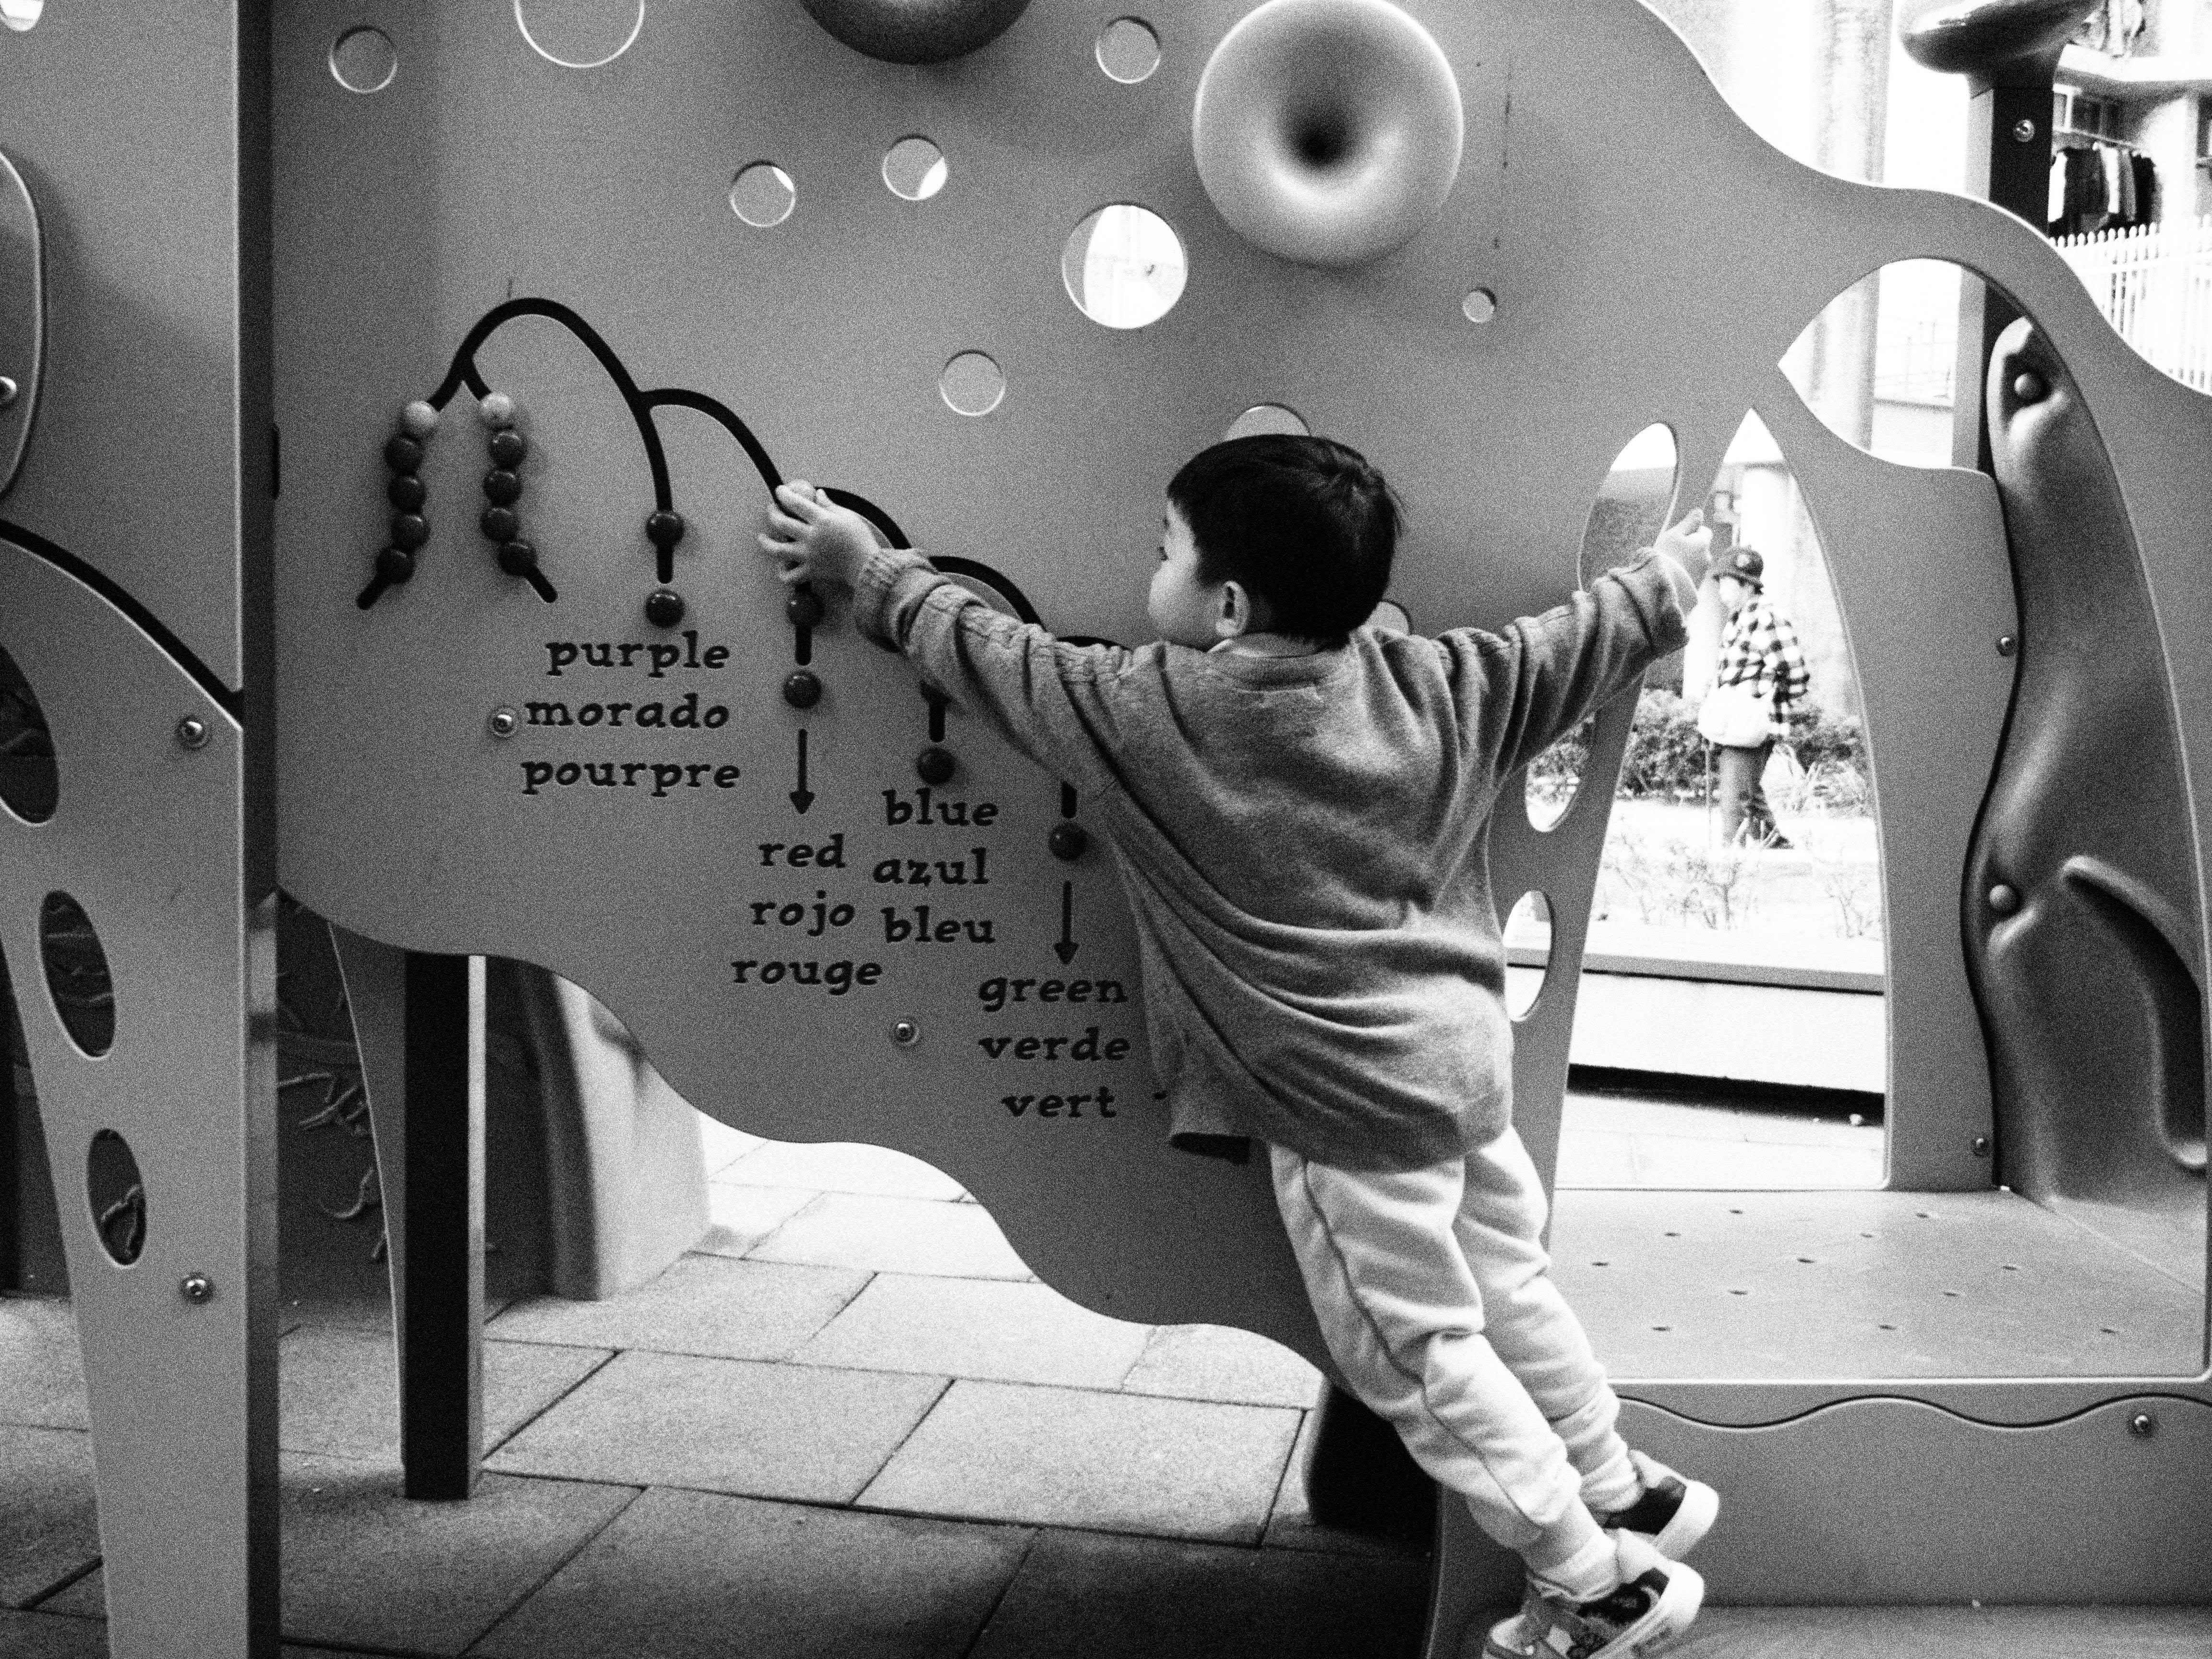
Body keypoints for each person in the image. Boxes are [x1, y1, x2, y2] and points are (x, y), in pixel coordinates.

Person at [758, 434, 1720, 1659]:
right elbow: (1570, 644)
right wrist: (1665, 583)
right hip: (1464, 1076)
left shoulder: (1152, 709)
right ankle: (1624, 1478)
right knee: (1513, 1287)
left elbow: (995, 658)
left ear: (1222, 604)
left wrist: (868, 570)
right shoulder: (1444, 683)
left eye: (1163, 551)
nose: (1148, 574)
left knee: (1418, 1356)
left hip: (1340, 1109)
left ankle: (1591, 1579)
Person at [1702, 546, 1810, 849]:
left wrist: (1768, 699)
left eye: (1727, 582)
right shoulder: (1736, 620)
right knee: (1745, 790)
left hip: (1752, 723)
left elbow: (1795, 672)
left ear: (1748, 585)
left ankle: (1728, 866)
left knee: (1734, 799)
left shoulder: (1767, 618)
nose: (1721, 590)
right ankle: (1776, 844)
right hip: (1732, 721)